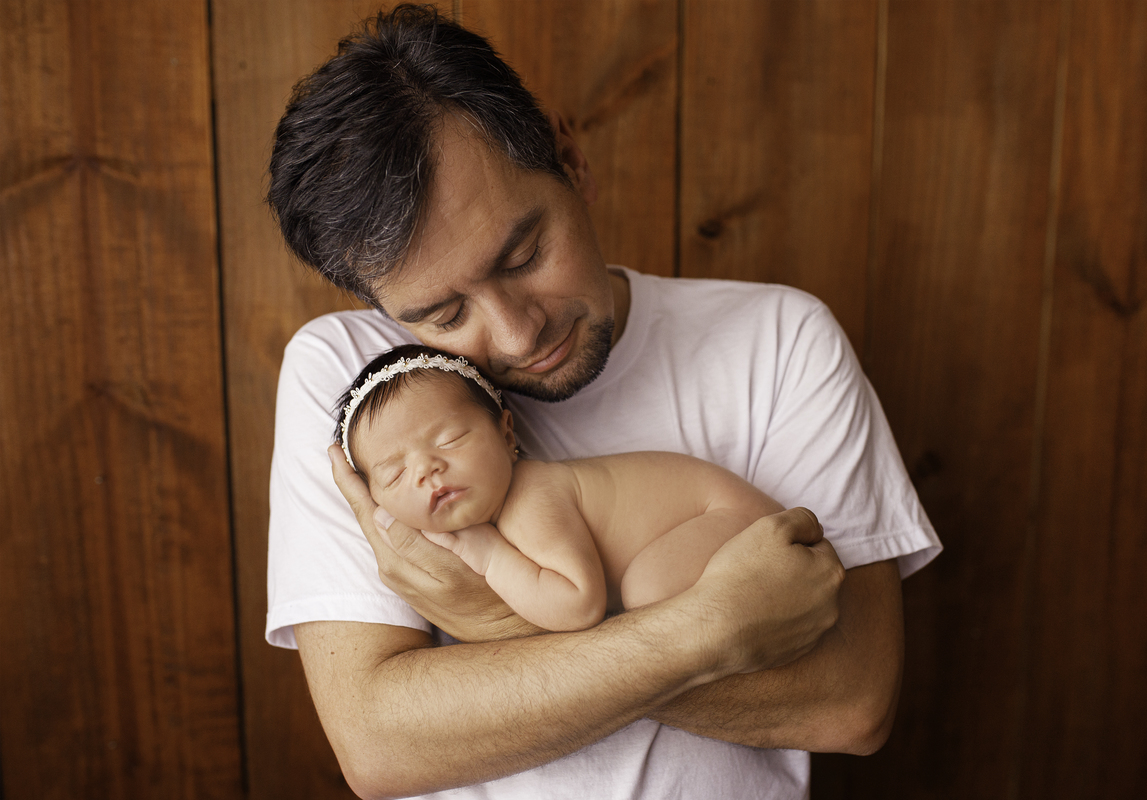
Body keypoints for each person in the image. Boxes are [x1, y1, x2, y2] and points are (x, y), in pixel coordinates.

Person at [266, 5, 941, 799]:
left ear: (571, 160)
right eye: (444, 316)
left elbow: (851, 700)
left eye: (524, 255)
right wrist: (712, 630)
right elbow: (380, 743)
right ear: (380, 308)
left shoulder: (780, 340)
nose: (516, 334)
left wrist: (494, 618)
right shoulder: (355, 384)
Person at [336, 343, 786, 631]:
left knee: (649, 593)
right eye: (394, 474)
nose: (426, 470)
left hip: (729, 517)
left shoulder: (530, 498)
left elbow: (578, 605)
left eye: (449, 440)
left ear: (506, 434)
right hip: (720, 518)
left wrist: (490, 555)